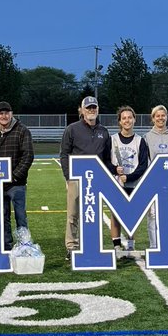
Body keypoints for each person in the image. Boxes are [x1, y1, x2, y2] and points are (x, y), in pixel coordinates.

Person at [59, 95, 114, 260]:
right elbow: (64, 154)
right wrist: (68, 177)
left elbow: (106, 158)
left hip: (96, 179)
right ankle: (71, 246)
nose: (91, 110)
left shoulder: (104, 131)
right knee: (73, 213)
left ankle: (92, 245)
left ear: (97, 110)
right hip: (76, 178)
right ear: (81, 110)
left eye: (94, 107)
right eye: (88, 108)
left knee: (93, 213)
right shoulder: (72, 129)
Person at [0, 102, 34, 251]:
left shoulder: (22, 130)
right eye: (0, 113)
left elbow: (28, 156)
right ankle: (6, 247)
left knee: (20, 217)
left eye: (6, 113)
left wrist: (14, 176)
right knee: (3, 217)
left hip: (17, 183)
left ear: (12, 113)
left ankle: (24, 247)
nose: (4, 116)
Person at [109, 105, 150, 257]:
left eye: (129, 117)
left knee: (132, 215)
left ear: (134, 120)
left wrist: (130, 176)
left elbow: (143, 165)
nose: (127, 120)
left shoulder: (140, 141)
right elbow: (105, 161)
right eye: (124, 118)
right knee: (115, 214)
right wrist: (114, 169)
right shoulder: (112, 140)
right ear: (120, 121)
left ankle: (131, 244)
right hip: (116, 183)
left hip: (134, 183)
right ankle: (116, 245)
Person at [143, 105, 168, 248]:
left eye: (163, 115)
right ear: (153, 118)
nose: (160, 118)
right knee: (152, 215)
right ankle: (154, 246)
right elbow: (146, 161)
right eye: (157, 116)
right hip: (152, 182)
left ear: (166, 116)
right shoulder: (147, 137)